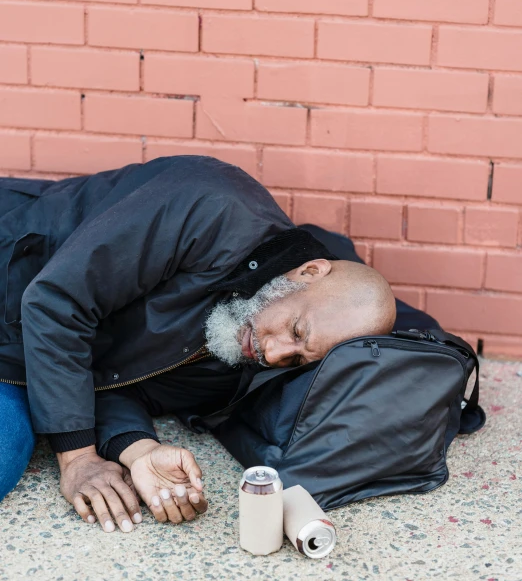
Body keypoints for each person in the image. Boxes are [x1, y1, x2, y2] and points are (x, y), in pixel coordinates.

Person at [0, 156, 395, 532]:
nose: (274, 355)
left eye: (296, 359)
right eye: (296, 332)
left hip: (18, 367)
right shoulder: (210, 205)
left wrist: (139, 451)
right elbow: (56, 300)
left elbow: (114, 384)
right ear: (308, 272)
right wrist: (78, 458)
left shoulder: (239, 358)